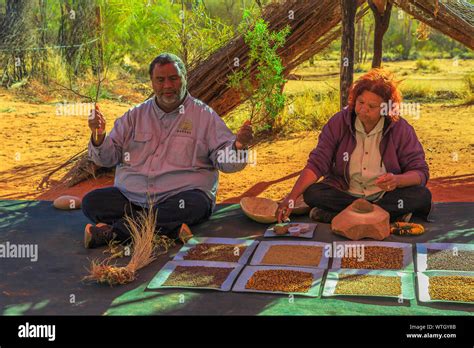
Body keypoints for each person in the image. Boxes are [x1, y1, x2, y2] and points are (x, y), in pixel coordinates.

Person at [82, 53, 253, 248]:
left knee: (195, 206)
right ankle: (169, 228)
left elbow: (225, 162)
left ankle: (114, 232)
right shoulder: (134, 115)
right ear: (152, 82)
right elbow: (107, 158)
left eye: (174, 78)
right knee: (92, 202)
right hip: (134, 197)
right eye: (160, 80)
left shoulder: (204, 116)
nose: (167, 86)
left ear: (185, 79)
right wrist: (99, 135)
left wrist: (238, 146)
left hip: (180, 199)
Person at [276, 68, 433, 224]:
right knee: (312, 193)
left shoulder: (400, 129)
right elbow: (317, 163)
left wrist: (397, 180)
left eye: (372, 106)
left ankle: (342, 216)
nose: (363, 110)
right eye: (361, 102)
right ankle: (382, 216)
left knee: (422, 195)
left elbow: (420, 172)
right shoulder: (339, 122)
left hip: (385, 196)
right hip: (346, 194)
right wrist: (291, 197)